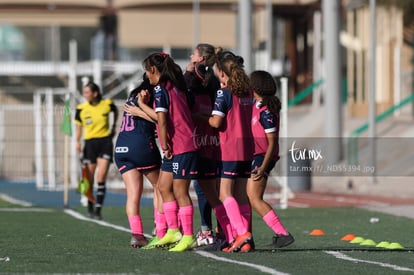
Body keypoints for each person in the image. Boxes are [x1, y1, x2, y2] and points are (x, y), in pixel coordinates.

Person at [137, 52, 199, 252]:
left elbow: (162, 120)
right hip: (177, 145)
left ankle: (188, 236)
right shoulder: (176, 86)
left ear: (153, 70)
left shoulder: (160, 89)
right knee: (164, 187)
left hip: (181, 146)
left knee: (181, 191)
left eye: (147, 71)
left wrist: (164, 145)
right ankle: (173, 230)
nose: (146, 76)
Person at [208, 49, 254, 252]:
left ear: (222, 73)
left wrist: (201, 117)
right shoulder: (248, 92)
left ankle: (242, 233)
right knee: (241, 195)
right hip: (247, 148)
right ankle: (245, 241)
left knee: (225, 193)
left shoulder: (224, 93)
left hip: (230, 149)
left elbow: (216, 122)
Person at [114, 74, 163, 248]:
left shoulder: (133, 94)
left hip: (121, 147)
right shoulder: (150, 94)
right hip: (140, 146)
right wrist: (141, 110)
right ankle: (160, 229)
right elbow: (160, 119)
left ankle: (137, 235)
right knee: (161, 187)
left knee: (133, 194)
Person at [247, 70, 294, 248]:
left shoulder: (266, 111)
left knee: (254, 198)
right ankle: (245, 236)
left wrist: (263, 166)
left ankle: (282, 233)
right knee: (247, 197)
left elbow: (272, 144)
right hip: (256, 156)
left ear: (255, 87)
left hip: (262, 157)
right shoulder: (256, 105)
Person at [184, 43, 220, 247]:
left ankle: (208, 229)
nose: (190, 56)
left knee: (203, 186)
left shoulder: (204, 81)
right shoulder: (210, 81)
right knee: (210, 187)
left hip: (203, 139)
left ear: (202, 60)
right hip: (209, 139)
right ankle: (217, 230)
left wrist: (186, 75)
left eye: (194, 54)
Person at [74, 82, 118, 220]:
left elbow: (115, 111)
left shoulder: (107, 104)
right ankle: (90, 207)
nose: (85, 95)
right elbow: (79, 128)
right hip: (89, 144)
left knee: (101, 177)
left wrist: (113, 127)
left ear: (95, 93)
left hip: (105, 142)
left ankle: (98, 210)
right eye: (84, 92)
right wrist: (77, 141)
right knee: (88, 178)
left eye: (87, 92)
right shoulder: (81, 108)